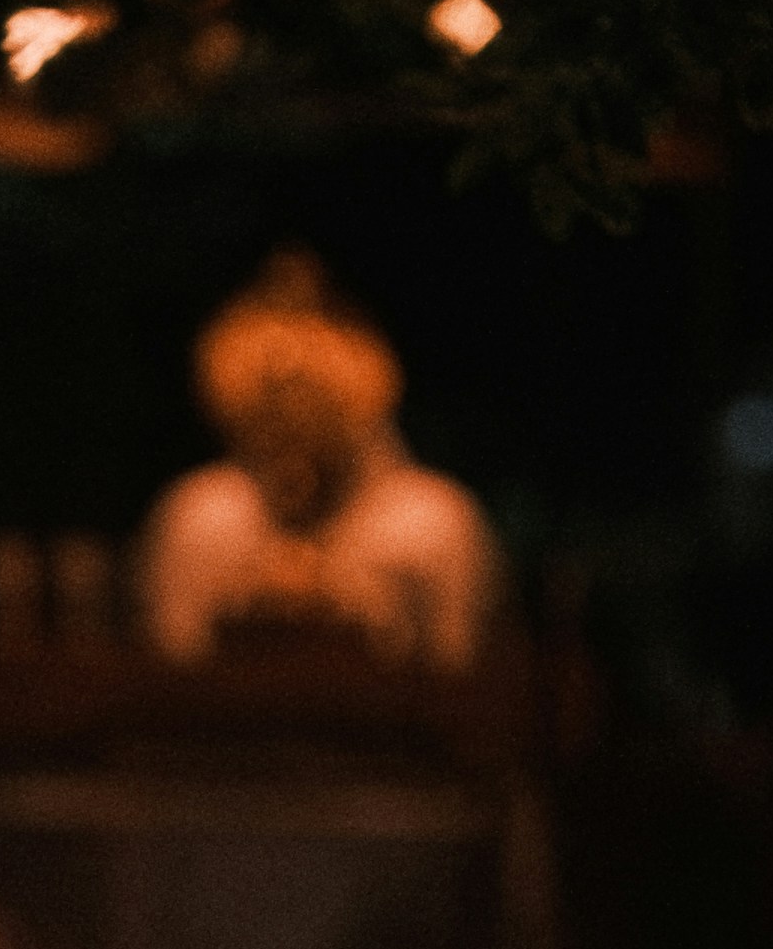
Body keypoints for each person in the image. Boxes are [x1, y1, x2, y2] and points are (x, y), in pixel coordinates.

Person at [136, 249, 503, 673]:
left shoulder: (432, 524)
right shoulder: (201, 520)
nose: (294, 467)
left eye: (316, 430)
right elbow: (171, 669)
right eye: (271, 435)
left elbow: (458, 676)